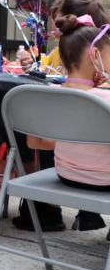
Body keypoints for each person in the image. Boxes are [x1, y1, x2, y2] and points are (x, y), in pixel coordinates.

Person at [26, 15, 110, 237]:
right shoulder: (105, 98)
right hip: (105, 182)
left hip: (65, 175)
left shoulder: (50, 96)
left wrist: (72, 138)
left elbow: (34, 142)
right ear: (95, 55)